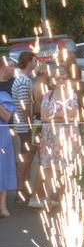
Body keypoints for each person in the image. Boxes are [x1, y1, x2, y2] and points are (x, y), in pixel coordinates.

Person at [40, 65, 79, 204]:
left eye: (64, 78)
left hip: (67, 138)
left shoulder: (72, 95)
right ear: (53, 80)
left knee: (66, 169)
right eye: (58, 78)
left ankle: (65, 200)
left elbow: (72, 114)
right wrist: (60, 116)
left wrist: (54, 116)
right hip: (50, 139)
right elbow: (43, 116)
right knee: (49, 169)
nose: (61, 80)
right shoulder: (47, 95)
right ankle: (48, 199)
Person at [11, 50, 37, 200]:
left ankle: (23, 188)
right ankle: (20, 189)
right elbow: (24, 106)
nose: (36, 63)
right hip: (24, 126)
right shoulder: (22, 81)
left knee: (27, 158)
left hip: (23, 124)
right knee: (25, 159)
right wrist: (30, 125)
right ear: (28, 62)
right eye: (34, 60)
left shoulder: (23, 79)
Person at [0, 84, 16, 217]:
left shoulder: (4, 96)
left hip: (2, 136)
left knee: (2, 168)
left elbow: (6, 117)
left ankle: (2, 204)